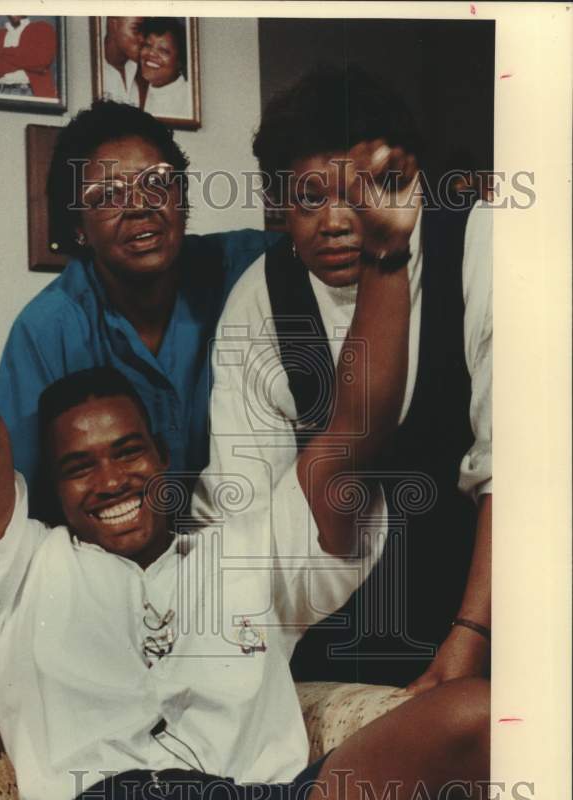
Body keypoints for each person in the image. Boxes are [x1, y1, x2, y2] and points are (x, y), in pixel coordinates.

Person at [0, 113, 489, 800]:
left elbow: (353, 432)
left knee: (490, 720)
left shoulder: (243, 550)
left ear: (165, 460)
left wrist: (387, 256)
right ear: (50, 491)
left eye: (128, 451)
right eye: (79, 466)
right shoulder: (15, 575)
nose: (110, 479)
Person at [193, 67, 492, 693]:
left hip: (487, 586)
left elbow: (519, 461)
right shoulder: (261, 300)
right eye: (307, 199)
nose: (332, 221)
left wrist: (471, 637)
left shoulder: (474, 239)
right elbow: (246, 511)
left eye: (356, 193)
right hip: (351, 605)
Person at [0, 100, 279, 510]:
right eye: (107, 195)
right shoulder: (47, 329)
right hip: (108, 557)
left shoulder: (250, 267)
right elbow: (16, 499)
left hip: (240, 547)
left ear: (182, 197)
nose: (140, 205)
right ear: (78, 229)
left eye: (157, 182)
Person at [0, 15, 57, 98]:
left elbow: (40, 62)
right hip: (1, 92)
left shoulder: (42, 28)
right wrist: (22, 57)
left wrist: (0, 53)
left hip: (29, 93)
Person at [139, 17, 191, 120]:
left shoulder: (189, 100)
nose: (151, 53)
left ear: (180, 61)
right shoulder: (136, 91)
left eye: (163, 50)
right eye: (147, 45)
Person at [101, 16, 144, 105]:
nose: (142, 39)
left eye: (144, 31)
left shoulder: (143, 70)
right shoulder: (88, 71)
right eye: (135, 29)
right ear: (113, 25)